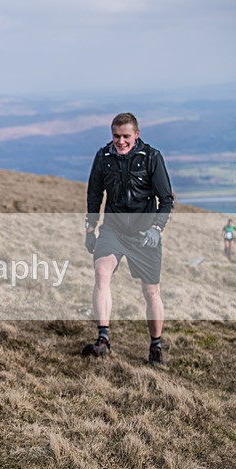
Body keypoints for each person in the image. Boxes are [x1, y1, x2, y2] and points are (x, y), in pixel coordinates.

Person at [83, 113, 174, 366]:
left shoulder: (152, 157)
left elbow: (166, 199)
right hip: (113, 229)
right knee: (101, 272)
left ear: (137, 134)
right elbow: (94, 194)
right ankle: (103, 339)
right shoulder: (103, 157)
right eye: (116, 136)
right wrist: (90, 229)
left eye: (125, 136)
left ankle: (155, 346)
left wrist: (157, 229)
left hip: (145, 234)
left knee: (151, 291)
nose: (120, 141)